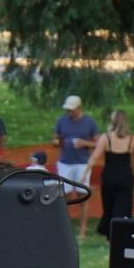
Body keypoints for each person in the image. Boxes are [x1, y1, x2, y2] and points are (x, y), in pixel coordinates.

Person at [88, 110, 134, 238]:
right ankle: (121, 233)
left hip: (109, 177)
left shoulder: (106, 137)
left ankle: (110, 233)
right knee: (124, 206)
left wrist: (85, 173)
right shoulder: (131, 139)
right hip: (126, 177)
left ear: (112, 122)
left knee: (108, 206)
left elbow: (94, 157)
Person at [53, 94, 100, 236]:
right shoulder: (61, 121)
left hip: (82, 164)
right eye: (68, 110)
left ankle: (83, 229)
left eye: (71, 110)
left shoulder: (89, 122)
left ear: (79, 108)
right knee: (64, 195)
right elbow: (55, 139)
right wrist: (59, 142)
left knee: (82, 195)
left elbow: (98, 143)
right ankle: (65, 228)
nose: (69, 112)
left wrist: (85, 143)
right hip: (65, 163)